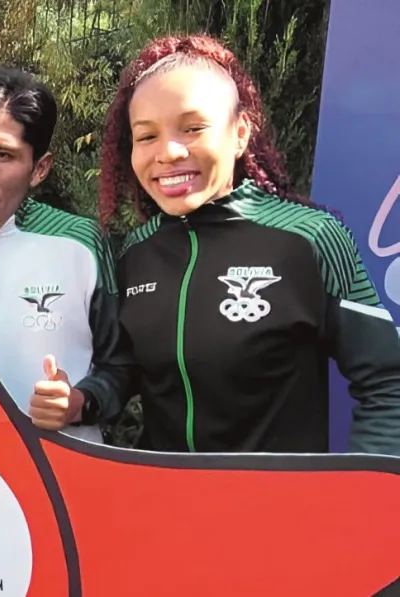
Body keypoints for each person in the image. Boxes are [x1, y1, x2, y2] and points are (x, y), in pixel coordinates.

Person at [98, 34, 400, 455]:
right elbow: (124, 369)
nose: (166, 152)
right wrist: (85, 397)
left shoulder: (309, 239)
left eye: (192, 128)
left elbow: (389, 384)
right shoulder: (136, 252)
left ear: (240, 133)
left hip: (281, 513)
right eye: (146, 136)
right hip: (164, 510)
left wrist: (362, 495)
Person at [0, 67, 132, 443]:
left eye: (2, 154)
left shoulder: (80, 243)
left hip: (66, 484)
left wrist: (80, 403)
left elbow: (122, 365)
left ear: (39, 168)